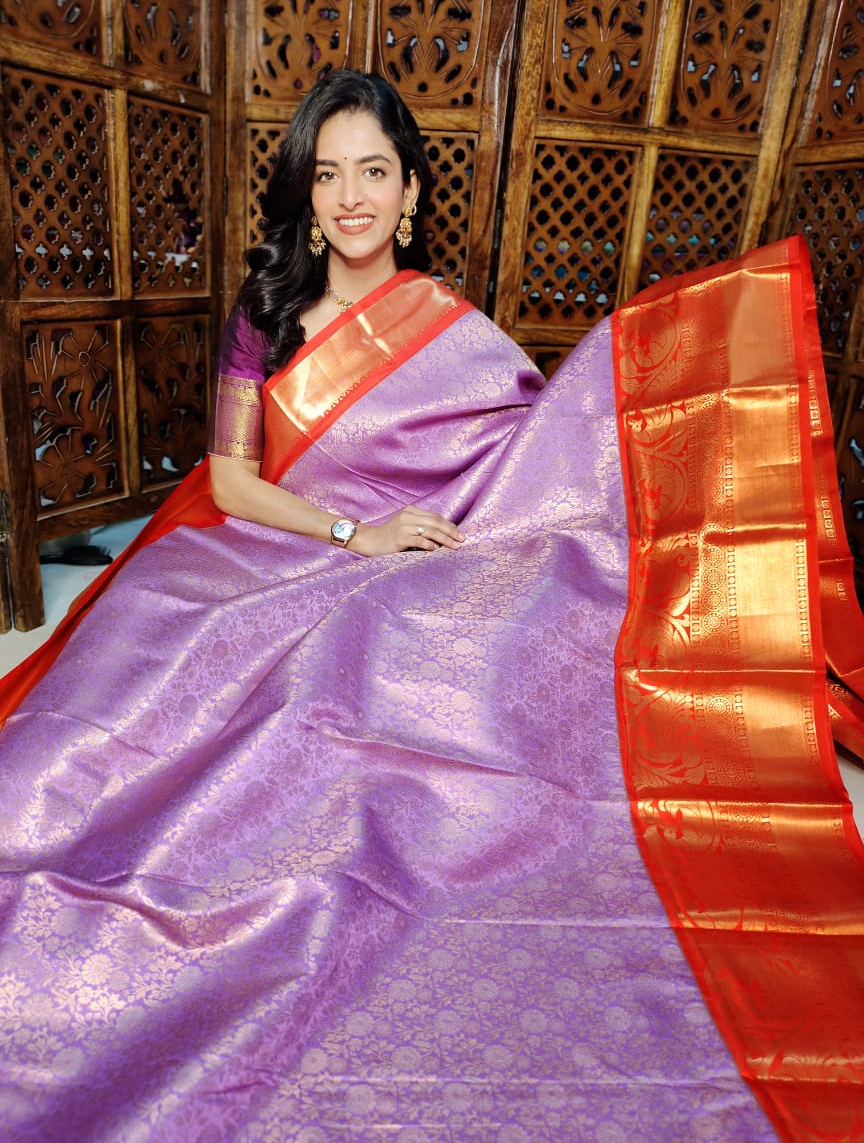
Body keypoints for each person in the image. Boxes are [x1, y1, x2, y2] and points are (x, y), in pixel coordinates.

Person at [0, 70, 862, 1142]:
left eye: (373, 172)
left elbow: (529, 450)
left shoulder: (446, 323)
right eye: (329, 175)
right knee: (162, 650)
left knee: (446, 634)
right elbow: (231, 481)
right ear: (306, 191)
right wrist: (353, 536)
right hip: (281, 541)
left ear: (409, 191)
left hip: (415, 547)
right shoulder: (264, 317)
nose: (350, 198)